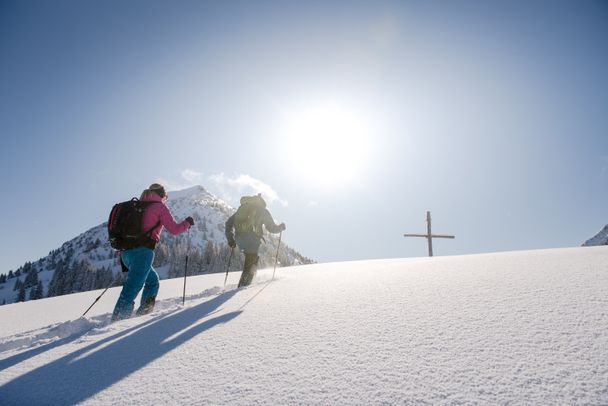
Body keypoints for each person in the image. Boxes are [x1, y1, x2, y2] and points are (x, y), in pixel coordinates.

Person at [111, 183, 194, 321]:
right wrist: (187, 223)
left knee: (152, 281)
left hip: (126, 254)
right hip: (142, 253)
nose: (165, 199)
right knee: (131, 289)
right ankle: (116, 323)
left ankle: (143, 314)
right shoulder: (159, 207)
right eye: (165, 196)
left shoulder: (137, 206)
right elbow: (174, 229)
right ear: (162, 195)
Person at [225, 194, 286, 287]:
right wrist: (280, 227)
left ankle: (249, 281)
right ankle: (243, 286)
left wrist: (231, 240)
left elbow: (228, 224)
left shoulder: (242, 209)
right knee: (251, 261)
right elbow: (271, 228)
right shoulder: (263, 211)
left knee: (252, 259)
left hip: (239, 238)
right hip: (252, 238)